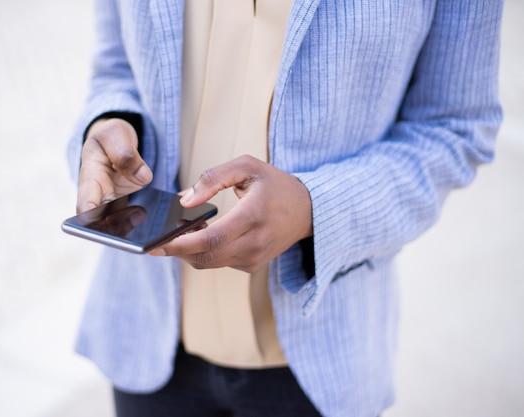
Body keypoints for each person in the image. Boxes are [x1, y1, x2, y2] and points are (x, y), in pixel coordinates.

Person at [67, 1, 503, 416]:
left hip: (318, 366)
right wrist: (107, 123)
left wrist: (314, 208)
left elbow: (454, 129)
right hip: (149, 345)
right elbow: (114, 69)